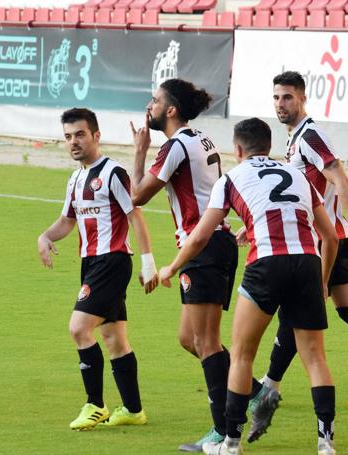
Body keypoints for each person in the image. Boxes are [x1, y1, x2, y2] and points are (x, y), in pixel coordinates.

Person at [159, 117, 339, 455]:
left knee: (241, 354)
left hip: (266, 264)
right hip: (307, 263)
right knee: (315, 358)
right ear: (269, 147)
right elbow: (329, 236)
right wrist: (324, 280)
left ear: (237, 149)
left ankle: (230, 443)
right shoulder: (299, 174)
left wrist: (173, 265)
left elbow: (200, 236)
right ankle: (325, 443)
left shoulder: (230, 178)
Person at [248, 71, 348, 442]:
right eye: (276, 98)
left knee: (295, 313)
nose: (281, 104)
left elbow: (340, 179)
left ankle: (270, 386)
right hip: (329, 238)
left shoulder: (311, 137)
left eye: (287, 97)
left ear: (301, 98)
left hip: (323, 243)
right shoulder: (298, 139)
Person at [130, 79, 262, 452]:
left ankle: (223, 431)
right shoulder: (200, 138)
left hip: (202, 246)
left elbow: (137, 195)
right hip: (212, 245)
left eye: (155, 101)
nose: (150, 106)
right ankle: (256, 392)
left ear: (170, 110)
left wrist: (139, 151)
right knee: (189, 338)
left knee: (204, 342)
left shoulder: (173, 146)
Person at [37, 108, 158, 431]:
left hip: (112, 261)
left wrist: (148, 263)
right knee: (114, 337)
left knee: (79, 329)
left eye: (79, 134)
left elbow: (135, 215)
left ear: (96, 136)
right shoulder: (76, 178)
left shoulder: (113, 173)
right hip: (92, 263)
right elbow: (67, 221)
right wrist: (46, 236)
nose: (73, 142)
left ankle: (95, 405)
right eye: (67, 137)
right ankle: (133, 409)